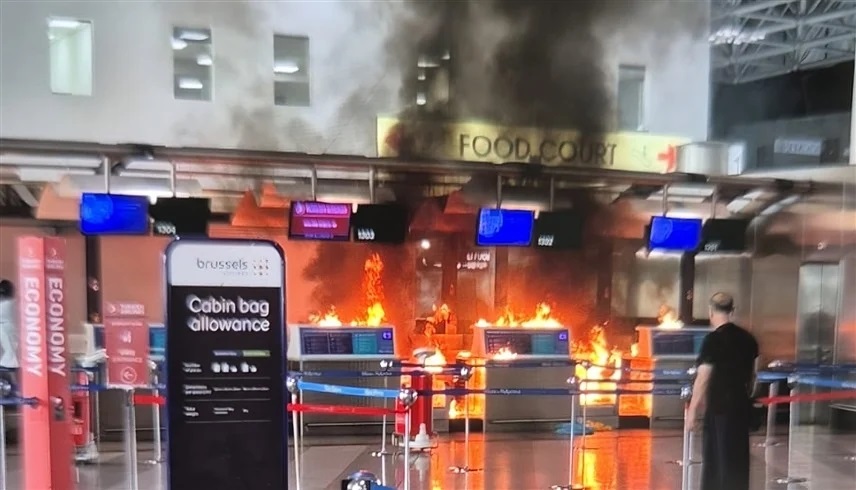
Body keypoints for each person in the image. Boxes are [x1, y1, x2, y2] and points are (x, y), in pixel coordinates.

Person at [686, 292, 760, 490]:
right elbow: (753, 375)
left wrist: (692, 410)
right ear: (732, 311)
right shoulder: (748, 339)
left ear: (710, 311)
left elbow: (703, 377)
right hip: (741, 406)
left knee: (717, 462)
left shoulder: (712, 340)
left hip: (719, 409)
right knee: (738, 461)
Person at [0, 280, 18, 372]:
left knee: (10, 348)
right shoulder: (14, 303)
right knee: (11, 347)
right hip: (10, 327)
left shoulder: (6, 304)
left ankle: (9, 365)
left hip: (6, 328)